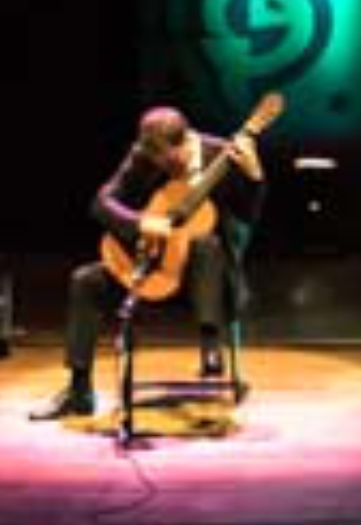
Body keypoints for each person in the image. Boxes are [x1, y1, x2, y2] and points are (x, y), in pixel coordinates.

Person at [30, 105, 265, 420]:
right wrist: (141, 223)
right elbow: (101, 203)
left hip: (204, 284)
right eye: (156, 161)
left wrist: (254, 176)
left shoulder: (222, 155)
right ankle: (79, 391)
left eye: (169, 159)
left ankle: (211, 343)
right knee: (85, 281)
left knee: (206, 245)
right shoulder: (146, 155)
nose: (161, 166)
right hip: (153, 271)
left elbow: (247, 217)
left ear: (186, 141)